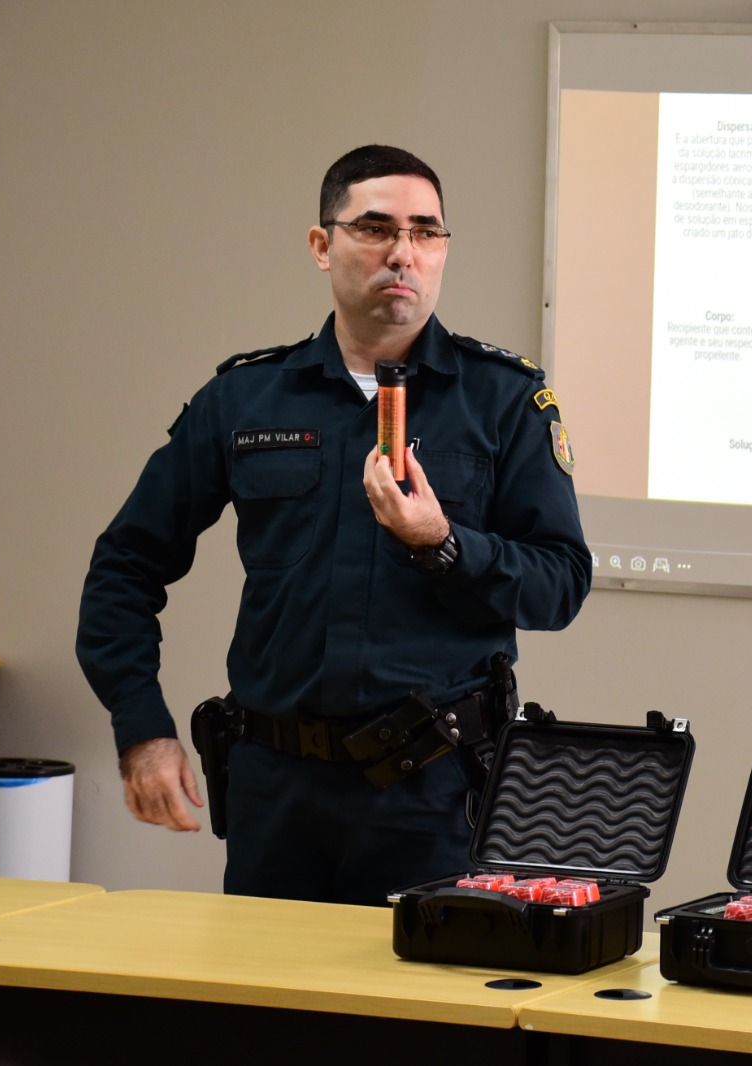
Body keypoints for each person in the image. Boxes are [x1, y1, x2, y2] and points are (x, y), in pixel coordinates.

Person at [76, 145, 592, 905]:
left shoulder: (504, 400)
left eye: (425, 232)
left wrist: (441, 543)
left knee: (423, 1023)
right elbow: (125, 564)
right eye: (376, 228)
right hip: (275, 794)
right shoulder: (246, 400)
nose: (403, 254)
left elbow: (560, 586)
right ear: (323, 246)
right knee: (268, 1018)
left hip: (434, 795)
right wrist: (142, 727)